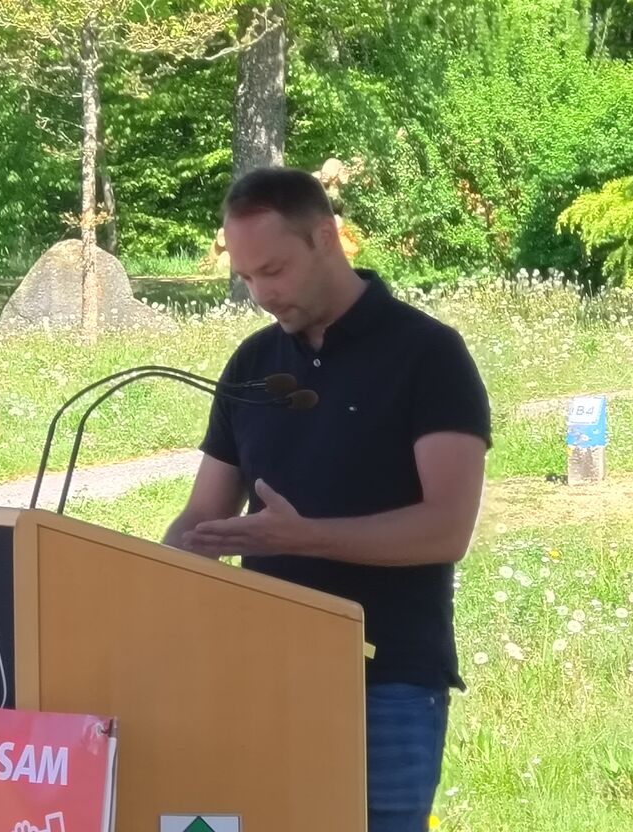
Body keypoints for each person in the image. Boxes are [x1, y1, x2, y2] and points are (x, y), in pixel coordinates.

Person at [163, 166, 491, 832]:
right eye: (246, 277)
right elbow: (203, 516)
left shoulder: (428, 354)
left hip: (387, 679)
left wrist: (302, 537)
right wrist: (148, 587)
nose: (261, 294)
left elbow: (446, 528)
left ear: (324, 237)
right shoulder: (252, 364)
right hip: (261, 675)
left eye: (273, 270)